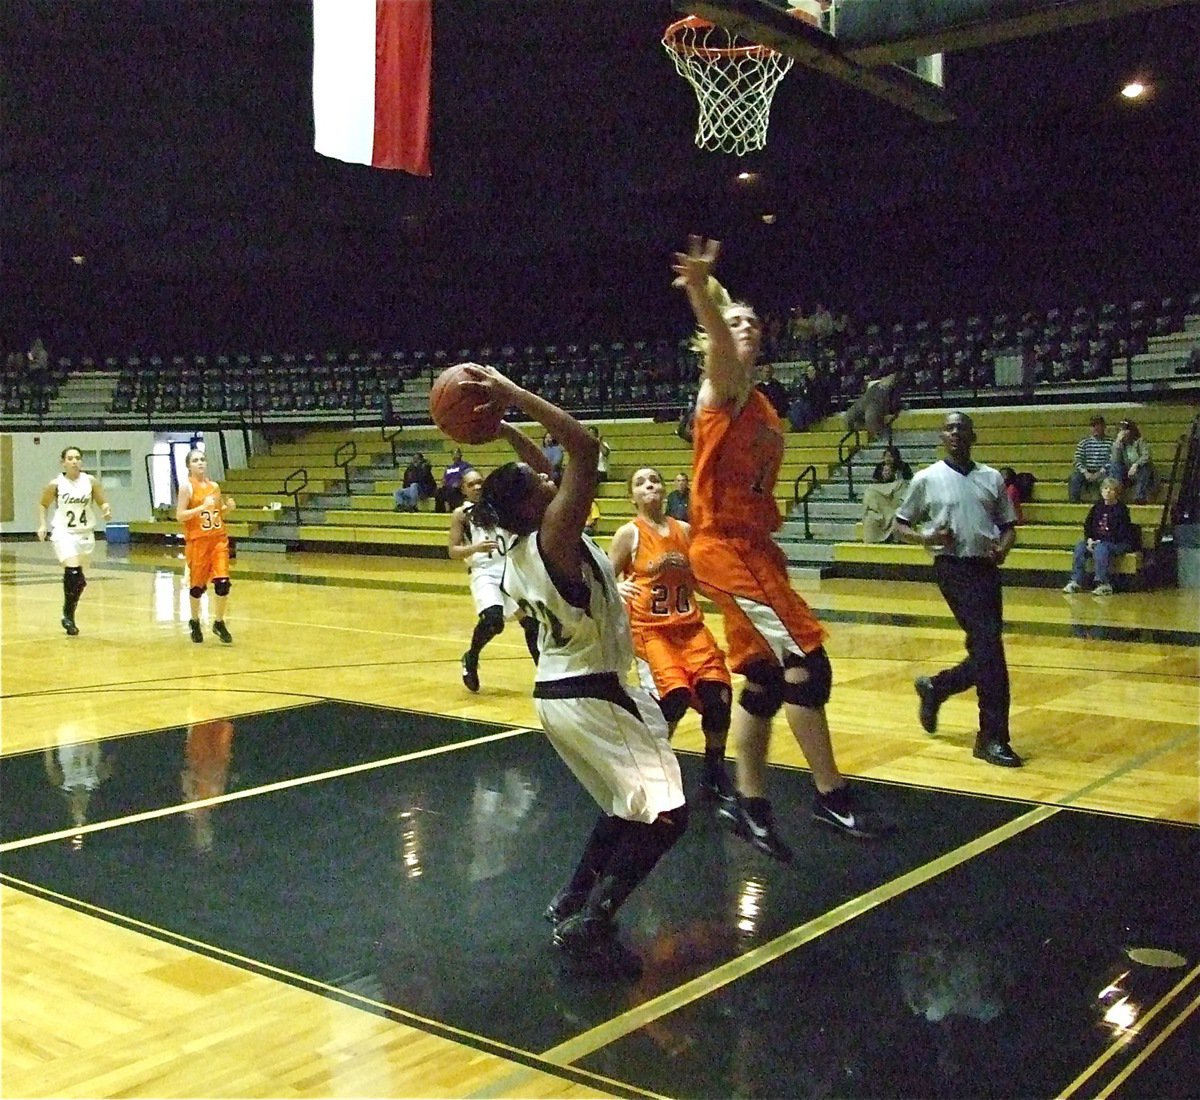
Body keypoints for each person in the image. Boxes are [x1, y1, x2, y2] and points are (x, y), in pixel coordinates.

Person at [470, 362, 687, 980]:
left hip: (573, 687)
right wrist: (513, 395)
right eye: (541, 484)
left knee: (626, 805)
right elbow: (583, 448)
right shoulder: (556, 535)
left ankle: (572, 897)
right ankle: (594, 921)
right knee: (668, 815)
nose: (550, 481)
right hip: (593, 690)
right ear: (530, 506)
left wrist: (504, 427)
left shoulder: (521, 542)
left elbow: (541, 466)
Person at [673, 234, 883, 860]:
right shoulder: (722, 390)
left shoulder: (762, 404)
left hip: (756, 549)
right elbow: (718, 342)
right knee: (807, 666)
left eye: (753, 322)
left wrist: (716, 300)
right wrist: (701, 294)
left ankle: (751, 803)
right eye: (732, 322)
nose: (744, 328)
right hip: (725, 549)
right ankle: (831, 796)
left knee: (763, 679)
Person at [893, 412, 1022, 768]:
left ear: (973, 437)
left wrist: (1004, 547)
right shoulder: (926, 479)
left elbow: (1009, 526)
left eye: (961, 428)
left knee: (986, 649)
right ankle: (991, 737)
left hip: (986, 568)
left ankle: (937, 687)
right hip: (952, 567)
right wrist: (926, 537)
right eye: (949, 428)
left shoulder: (991, 478)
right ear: (941, 437)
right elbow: (900, 524)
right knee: (990, 648)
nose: (955, 433)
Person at [608, 466, 736, 808]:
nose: (649, 485)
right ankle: (655, 769)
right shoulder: (629, 534)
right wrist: (617, 586)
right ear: (631, 496)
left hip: (691, 629)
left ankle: (714, 769)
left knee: (718, 696)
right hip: (652, 633)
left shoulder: (686, 531)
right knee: (673, 700)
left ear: (664, 491)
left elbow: (705, 576)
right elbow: (604, 578)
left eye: (654, 480)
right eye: (640, 482)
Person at [448, 462, 542, 692]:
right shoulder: (461, 514)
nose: (477, 487)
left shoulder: (498, 506)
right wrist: (474, 548)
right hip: (484, 572)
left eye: (480, 482)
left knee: (531, 624)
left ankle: (544, 674)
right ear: (463, 489)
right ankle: (471, 658)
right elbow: (452, 551)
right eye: (471, 484)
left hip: (509, 569)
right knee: (493, 621)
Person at [37, 445, 112, 636]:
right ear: (63, 462)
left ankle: (68, 610)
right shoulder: (56, 484)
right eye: (70, 458)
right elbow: (43, 504)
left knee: (79, 580)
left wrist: (106, 509)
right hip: (64, 532)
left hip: (85, 533)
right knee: (71, 571)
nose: (74, 461)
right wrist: (42, 525)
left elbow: (102, 500)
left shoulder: (90, 481)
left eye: (77, 458)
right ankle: (68, 616)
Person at [176, 448, 236, 644]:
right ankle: (194, 620)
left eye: (202, 459)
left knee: (223, 582)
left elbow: (217, 513)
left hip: (218, 539)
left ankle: (219, 622)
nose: (200, 463)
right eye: (195, 460)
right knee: (197, 586)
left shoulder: (215, 486)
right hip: (198, 541)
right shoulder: (187, 488)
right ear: (189, 466)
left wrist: (228, 509)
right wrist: (201, 507)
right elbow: (180, 515)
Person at [1063, 477, 1137, 595]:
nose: (1107, 491)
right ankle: (1075, 581)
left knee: (1101, 548)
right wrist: (1089, 540)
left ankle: (1103, 583)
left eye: (1111, 489)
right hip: (1098, 541)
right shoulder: (1097, 507)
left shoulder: (1121, 510)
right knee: (1080, 547)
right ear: (1101, 491)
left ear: (1116, 493)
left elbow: (1121, 532)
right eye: (1105, 488)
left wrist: (1100, 541)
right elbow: (1088, 526)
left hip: (1118, 543)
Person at [861, 446, 913, 544]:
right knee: (870, 496)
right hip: (881, 502)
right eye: (886, 456)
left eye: (890, 456)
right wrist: (884, 478)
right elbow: (875, 484)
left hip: (895, 500)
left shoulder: (904, 467)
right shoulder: (879, 467)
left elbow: (908, 485)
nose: (888, 459)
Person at [1109, 418, 1157, 504]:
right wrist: (1117, 442)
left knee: (1145, 466)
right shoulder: (1120, 445)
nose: (1123, 433)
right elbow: (1115, 459)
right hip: (1127, 473)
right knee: (1114, 466)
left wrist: (1136, 464)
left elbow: (1146, 456)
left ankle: (1140, 497)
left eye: (1125, 430)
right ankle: (1115, 495)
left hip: (1141, 472)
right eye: (1120, 430)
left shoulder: (1140, 441)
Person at [1068, 415, 1112, 502]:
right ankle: (1073, 503)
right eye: (1093, 426)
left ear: (1104, 426)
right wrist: (1085, 472)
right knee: (1074, 478)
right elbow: (1077, 460)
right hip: (1087, 471)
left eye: (1098, 425)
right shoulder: (1084, 442)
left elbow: (1112, 460)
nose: (1095, 428)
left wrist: (1100, 472)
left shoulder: (1111, 442)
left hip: (1103, 471)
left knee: (1108, 479)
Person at [434, 448, 474, 513]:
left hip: (459, 489)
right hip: (448, 488)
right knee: (438, 492)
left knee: (453, 490)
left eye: (457, 453)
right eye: (453, 454)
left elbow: (467, 477)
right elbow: (444, 479)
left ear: (460, 455)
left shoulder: (466, 466)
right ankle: (440, 512)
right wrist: (442, 484)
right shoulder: (449, 467)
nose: (455, 455)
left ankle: (454, 511)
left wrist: (459, 483)